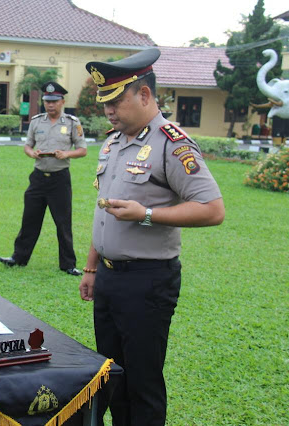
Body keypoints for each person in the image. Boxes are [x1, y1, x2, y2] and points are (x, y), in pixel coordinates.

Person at [78, 49, 225, 425]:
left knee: (142, 383)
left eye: (116, 101)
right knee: (113, 378)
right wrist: (92, 267)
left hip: (147, 282)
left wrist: (146, 214)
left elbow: (212, 208)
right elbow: (103, 208)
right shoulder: (113, 142)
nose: (108, 111)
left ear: (144, 95)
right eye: (105, 102)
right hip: (109, 279)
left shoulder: (171, 143)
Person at [0, 81, 87, 275]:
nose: (50, 105)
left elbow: (82, 150)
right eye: (47, 101)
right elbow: (27, 146)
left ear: (62, 102)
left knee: (63, 223)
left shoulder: (72, 123)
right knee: (29, 219)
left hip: (60, 180)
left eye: (54, 101)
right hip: (38, 178)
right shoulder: (37, 121)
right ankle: (18, 258)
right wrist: (31, 153)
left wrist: (67, 154)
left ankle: (68, 264)